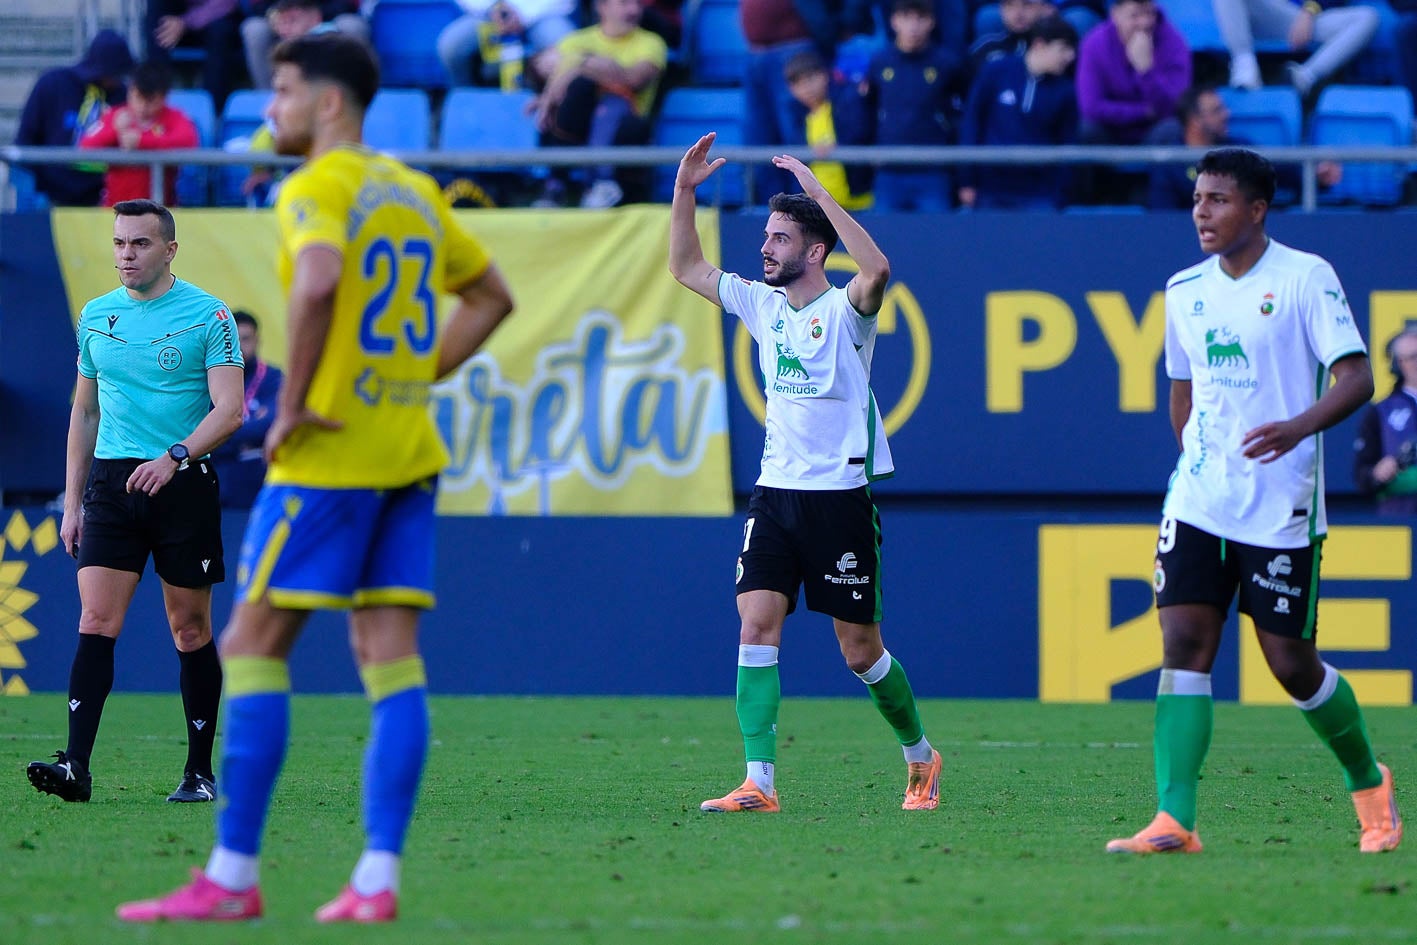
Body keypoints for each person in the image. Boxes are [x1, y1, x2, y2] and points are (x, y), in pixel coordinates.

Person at [116, 33, 515, 922]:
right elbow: (493, 297)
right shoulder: (412, 191)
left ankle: (231, 876)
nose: (271, 107)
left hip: (330, 455)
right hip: (407, 452)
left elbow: (320, 279)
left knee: (252, 644)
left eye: (285, 90)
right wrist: (412, 375)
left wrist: (290, 401)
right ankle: (376, 878)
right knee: (390, 658)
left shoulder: (315, 186)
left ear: (329, 102)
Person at [1107, 147, 1402, 856]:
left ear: (1257, 209)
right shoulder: (1184, 289)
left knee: (1290, 663)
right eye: (1197, 199)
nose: (1201, 212)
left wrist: (1296, 428)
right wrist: (1198, 462)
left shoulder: (1305, 278)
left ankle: (1370, 784)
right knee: (1183, 643)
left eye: (1217, 199)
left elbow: (1357, 378)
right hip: (1200, 499)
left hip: (1281, 504)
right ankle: (1174, 819)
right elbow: (1181, 392)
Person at [668, 132, 942, 815]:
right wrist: (683, 192)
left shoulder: (847, 312)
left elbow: (877, 267)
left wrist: (819, 192)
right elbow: (687, 267)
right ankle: (758, 781)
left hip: (838, 500)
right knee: (755, 625)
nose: (765, 248)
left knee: (860, 652)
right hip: (775, 495)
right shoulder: (761, 305)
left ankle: (920, 754)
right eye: (766, 236)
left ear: (815, 251)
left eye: (780, 238)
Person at [25, 199, 244, 806]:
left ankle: (198, 772)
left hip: (182, 482)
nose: (126, 254)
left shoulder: (208, 314)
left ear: (169, 250)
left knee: (189, 627)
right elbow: (85, 413)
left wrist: (174, 457)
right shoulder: (96, 315)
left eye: (140, 243)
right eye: (120, 243)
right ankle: (76, 767)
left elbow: (230, 410)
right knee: (96, 620)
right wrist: (72, 504)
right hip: (112, 486)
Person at [531, 0, 668, 208]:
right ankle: (557, 184)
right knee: (572, 93)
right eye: (624, 3)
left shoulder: (651, 43)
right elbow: (544, 68)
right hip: (578, 126)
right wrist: (596, 68)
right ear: (601, 6)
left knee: (609, 102)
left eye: (638, 4)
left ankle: (601, 182)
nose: (634, 10)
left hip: (624, 131)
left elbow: (633, 79)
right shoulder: (576, 40)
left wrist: (578, 63)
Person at [1146, 85, 1341, 209]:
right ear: (1195, 120)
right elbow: (1163, 219)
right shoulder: (1169, 162)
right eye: (1216, 111)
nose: (1226, 114)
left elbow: (1280, 172)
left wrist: (1317, 177)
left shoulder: (1237, 151)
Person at [958, 15, 1079, 210]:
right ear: (1039, 44)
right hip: (990, 188)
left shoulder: (1066, 91)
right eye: (1064, 48)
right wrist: (967, 179)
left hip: (1039, 194)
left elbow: (1067, 144)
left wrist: (1059, 194)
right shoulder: (995, 72)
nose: (1070, 56)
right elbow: (972, 123)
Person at [861, 0, 965, 211]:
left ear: (932, 22)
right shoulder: (880, 62)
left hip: (933, 170)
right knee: (883, 232)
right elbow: (868, 110)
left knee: (936, 231)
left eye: (920, 18)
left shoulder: (947, 64)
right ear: (894, 21)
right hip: (889, 170)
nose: (913, 26)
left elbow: (961, 113)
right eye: (906, 18)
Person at [14, 29, 134, 207]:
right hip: (50, 196)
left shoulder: (124, 95)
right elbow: (25, 139)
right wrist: (36, 193)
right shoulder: (52, 83)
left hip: (103, 199)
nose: (116, 80)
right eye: (112, 74)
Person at [78, 61, 200, 207]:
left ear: (164, 97)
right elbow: (85, 146)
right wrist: (114, 131)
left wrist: (141, 141)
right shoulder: (115, 116)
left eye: (150, 101)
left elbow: (189, 141)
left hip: (160, 210)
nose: (142, 107)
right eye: (138, 98)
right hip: (116, 210)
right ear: (130, 91)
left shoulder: (175, 118)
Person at [1215, 0, 1378, 97]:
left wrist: (1309, 10)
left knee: (1367, 17)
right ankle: (1244, 64)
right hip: (1259, 14)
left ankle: (1303, 77)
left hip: (1302, 17)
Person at [211, 311, 284, 509]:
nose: (240, 346)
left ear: (257, 340)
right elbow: (196, 426)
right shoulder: (210, 380)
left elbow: (272, 422)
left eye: (245, 339)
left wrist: (219, 434)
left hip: (258, 489)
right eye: (234, 340)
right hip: (216, 490)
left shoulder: (274, 378)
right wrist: (247, 437)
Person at [784, 50, 873, 210]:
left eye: (811, 79)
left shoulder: (847, 105)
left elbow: (862, 135)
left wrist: (838, 147)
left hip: (857, 203)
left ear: (825, 76)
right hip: (816, 207)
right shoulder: (795, 118)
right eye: (799, 84)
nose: (807, 88)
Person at [436, 0, 576, 89]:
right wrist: (494, 8)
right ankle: (467, 106)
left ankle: (558, 112)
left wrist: (522, 14)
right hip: (490, 13)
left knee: (570, 55)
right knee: (451, 46)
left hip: (545, 13)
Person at [1353, 327, 1417, 516]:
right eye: (1413, 357)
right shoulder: (1380, 412)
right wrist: (1378, 472)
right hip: (1402, 516)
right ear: (1399, 363)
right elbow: (1361, 474)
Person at [242, 0, 369, 90]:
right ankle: (266, 95)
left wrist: (312, 16)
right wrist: (282, 17)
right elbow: (258, 6)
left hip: (326, 16)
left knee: (352, 26)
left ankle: (357, 94)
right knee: (254, 29)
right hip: (279, 16)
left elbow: (349, 4)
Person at [145, 0, 243, 111]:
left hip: (215, 18)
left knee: (221, 30)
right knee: (156, 6)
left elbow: (225, 4)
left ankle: (211, 109)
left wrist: (185, 22)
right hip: (178, 23)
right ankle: (155, 95)